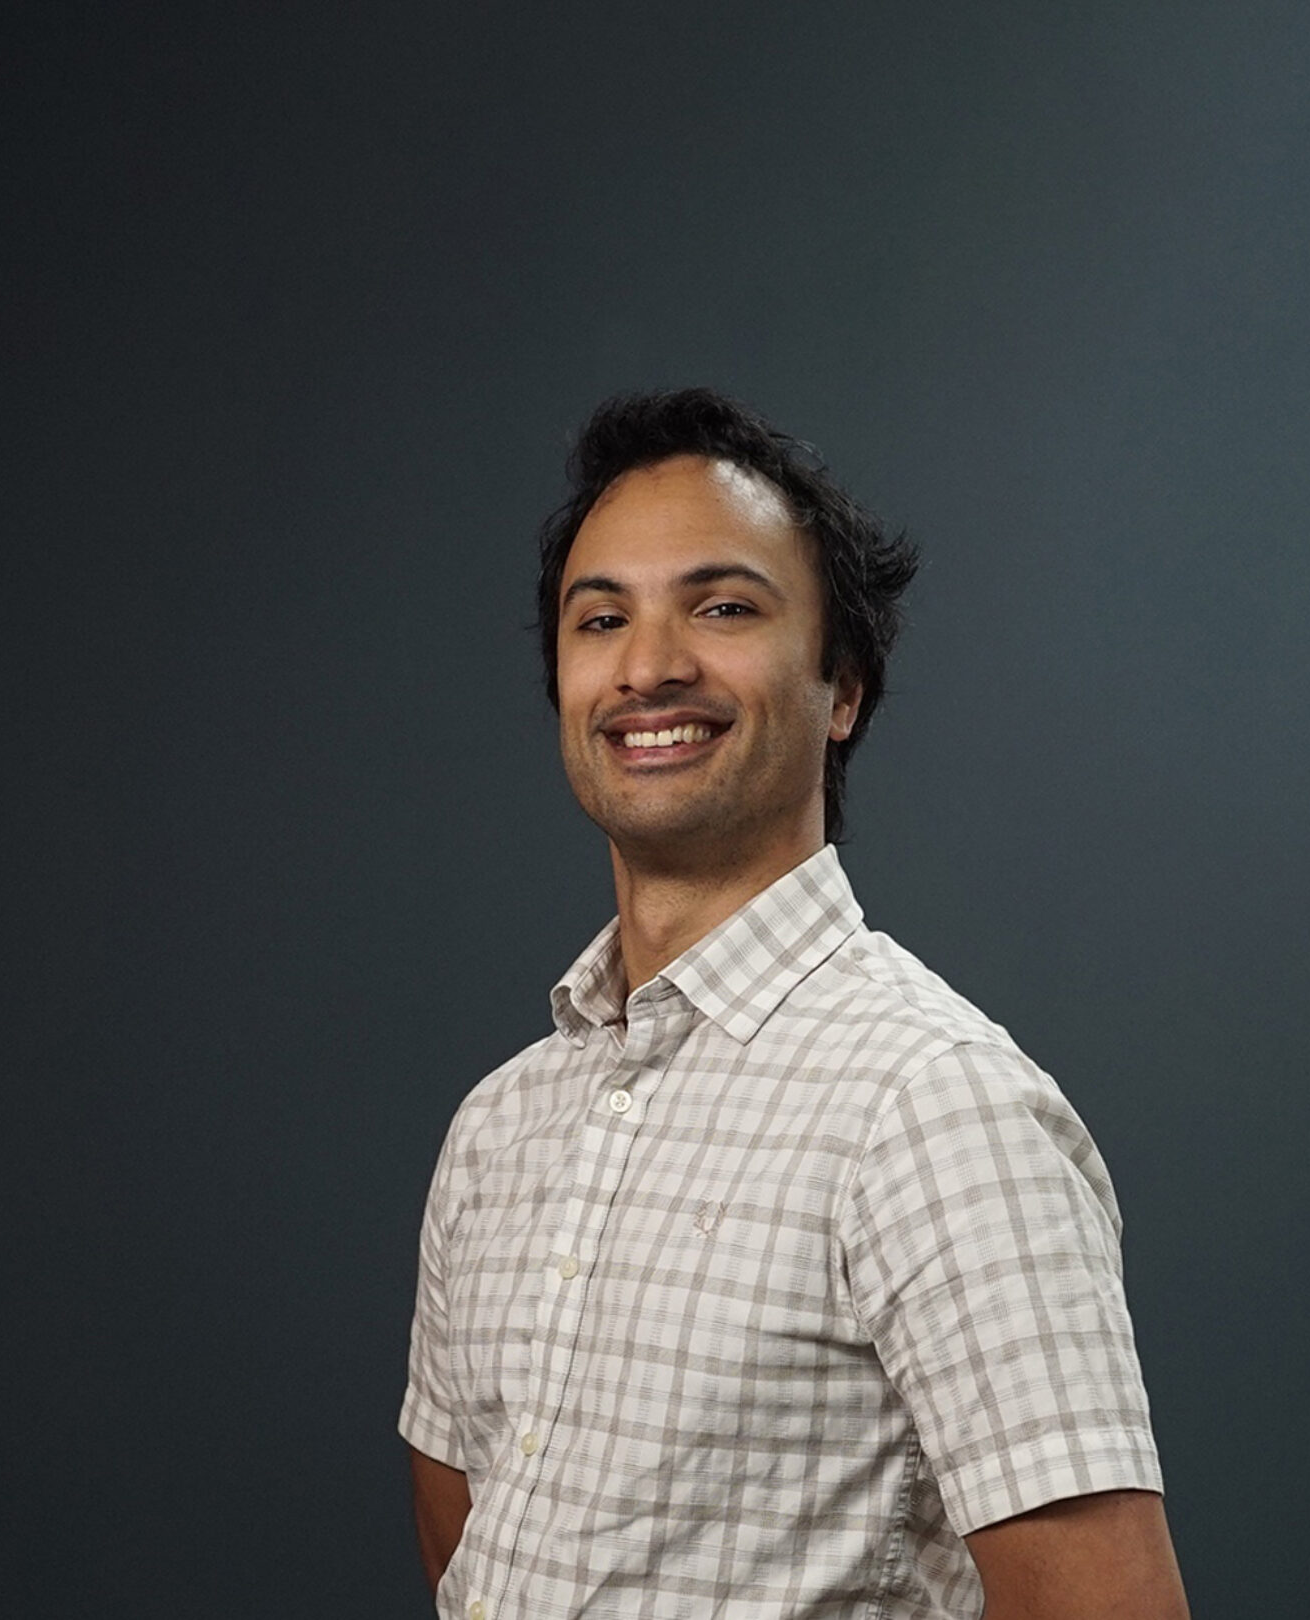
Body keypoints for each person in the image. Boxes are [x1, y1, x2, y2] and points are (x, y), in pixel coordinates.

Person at [401, 388, 1188, 1620]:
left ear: (843, 689)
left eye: (721, 607)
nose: (650, 666)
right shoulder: (499, 1128)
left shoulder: (937, 1110)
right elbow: (471, 1552)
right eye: (600, 618)